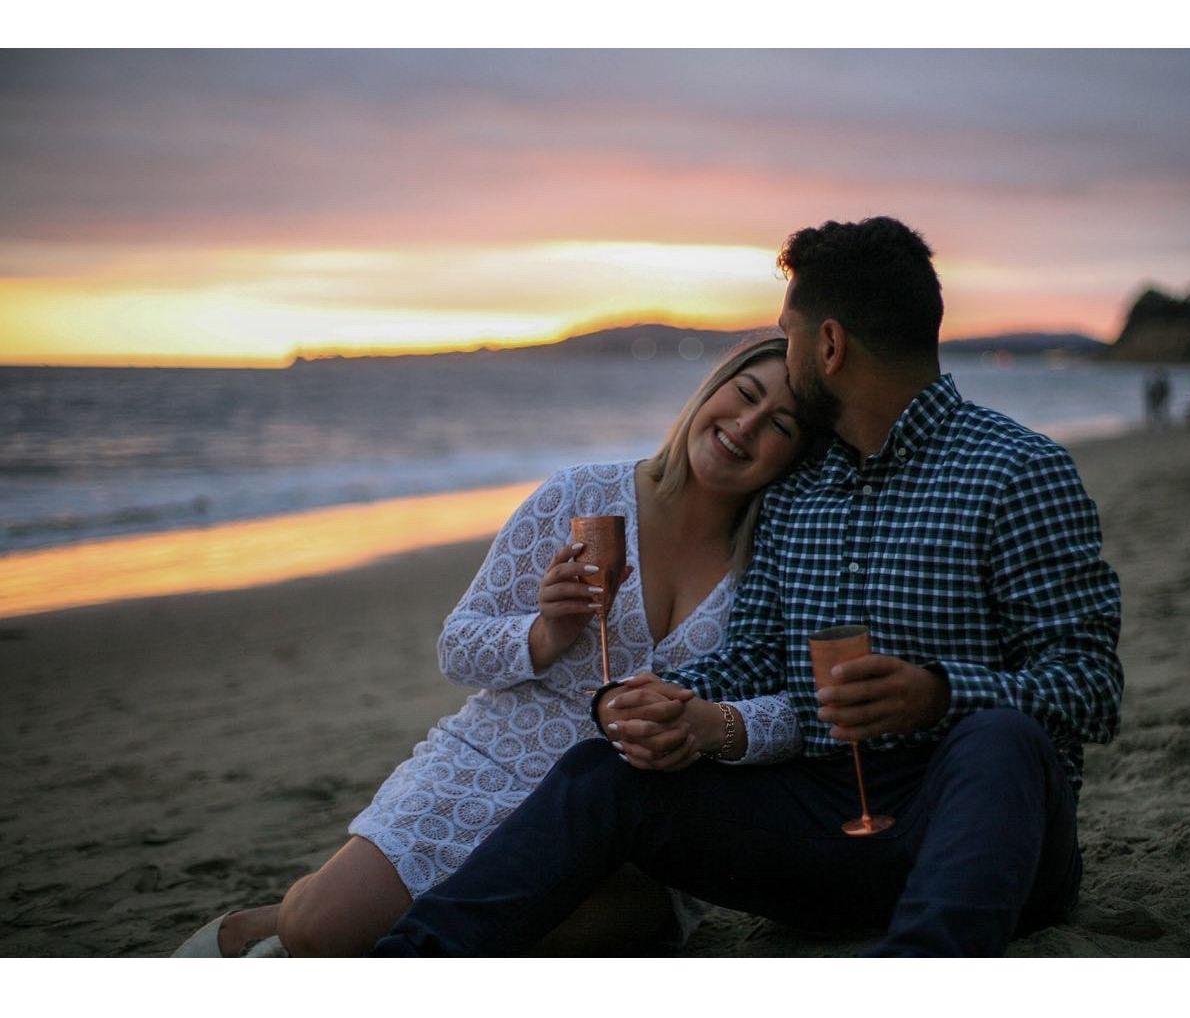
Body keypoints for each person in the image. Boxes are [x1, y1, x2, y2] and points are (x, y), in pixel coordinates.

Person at [374, 216, 1124, 959]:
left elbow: (1092, 686)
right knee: (599, 769)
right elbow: (755, 656)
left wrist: (939, 693)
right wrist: (669, 701)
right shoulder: (799, 491)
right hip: (822, 831)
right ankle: (410, 959)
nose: (782, 349)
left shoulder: (1018, 472)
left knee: (999, 737)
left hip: (983, 834)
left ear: (825, 345)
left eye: (786, 332)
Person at [172, 335, 807, 956]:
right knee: (321, 930)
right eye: (745, 394)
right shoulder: (580, 497)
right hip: (496, 762)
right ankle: (262, 925)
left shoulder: (775, 557)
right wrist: (544, 632)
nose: (747, 425)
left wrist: (709, 726)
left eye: (779, 423)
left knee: (568, 933)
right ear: (709, 393)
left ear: (795, 455)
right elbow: (458, 647)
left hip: (634, 814)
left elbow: (797, 710)